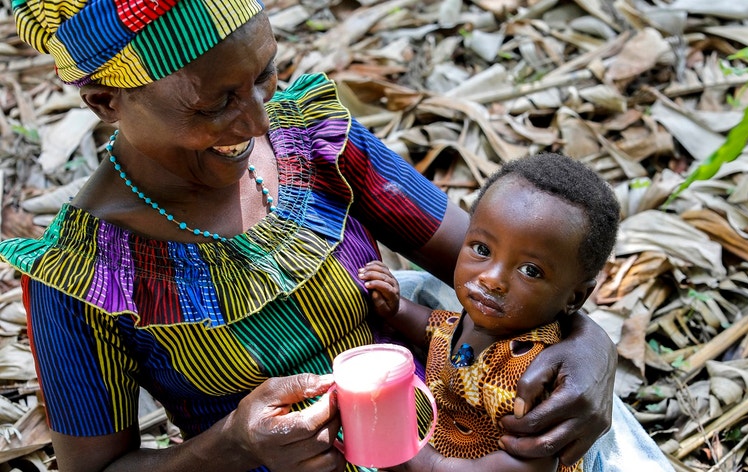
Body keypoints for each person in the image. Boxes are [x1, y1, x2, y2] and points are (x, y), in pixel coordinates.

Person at [0, 2, 622, 472]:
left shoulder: (315, 143)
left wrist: (592, 345)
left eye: (265, 74)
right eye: (216, 103)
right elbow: (98, 469)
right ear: (107, 102)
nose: (257, 119)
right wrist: (235, 442)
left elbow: (507, 261)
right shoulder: (82, 275)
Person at [361, 153, 671, 472]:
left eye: (529, 271)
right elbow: (434, 329)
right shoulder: (471, 322)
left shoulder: (530, 371)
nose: (492, 279)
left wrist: (426, 464)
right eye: (482, 250)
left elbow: (529, 464)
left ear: (575, 297)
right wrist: (397, 308)